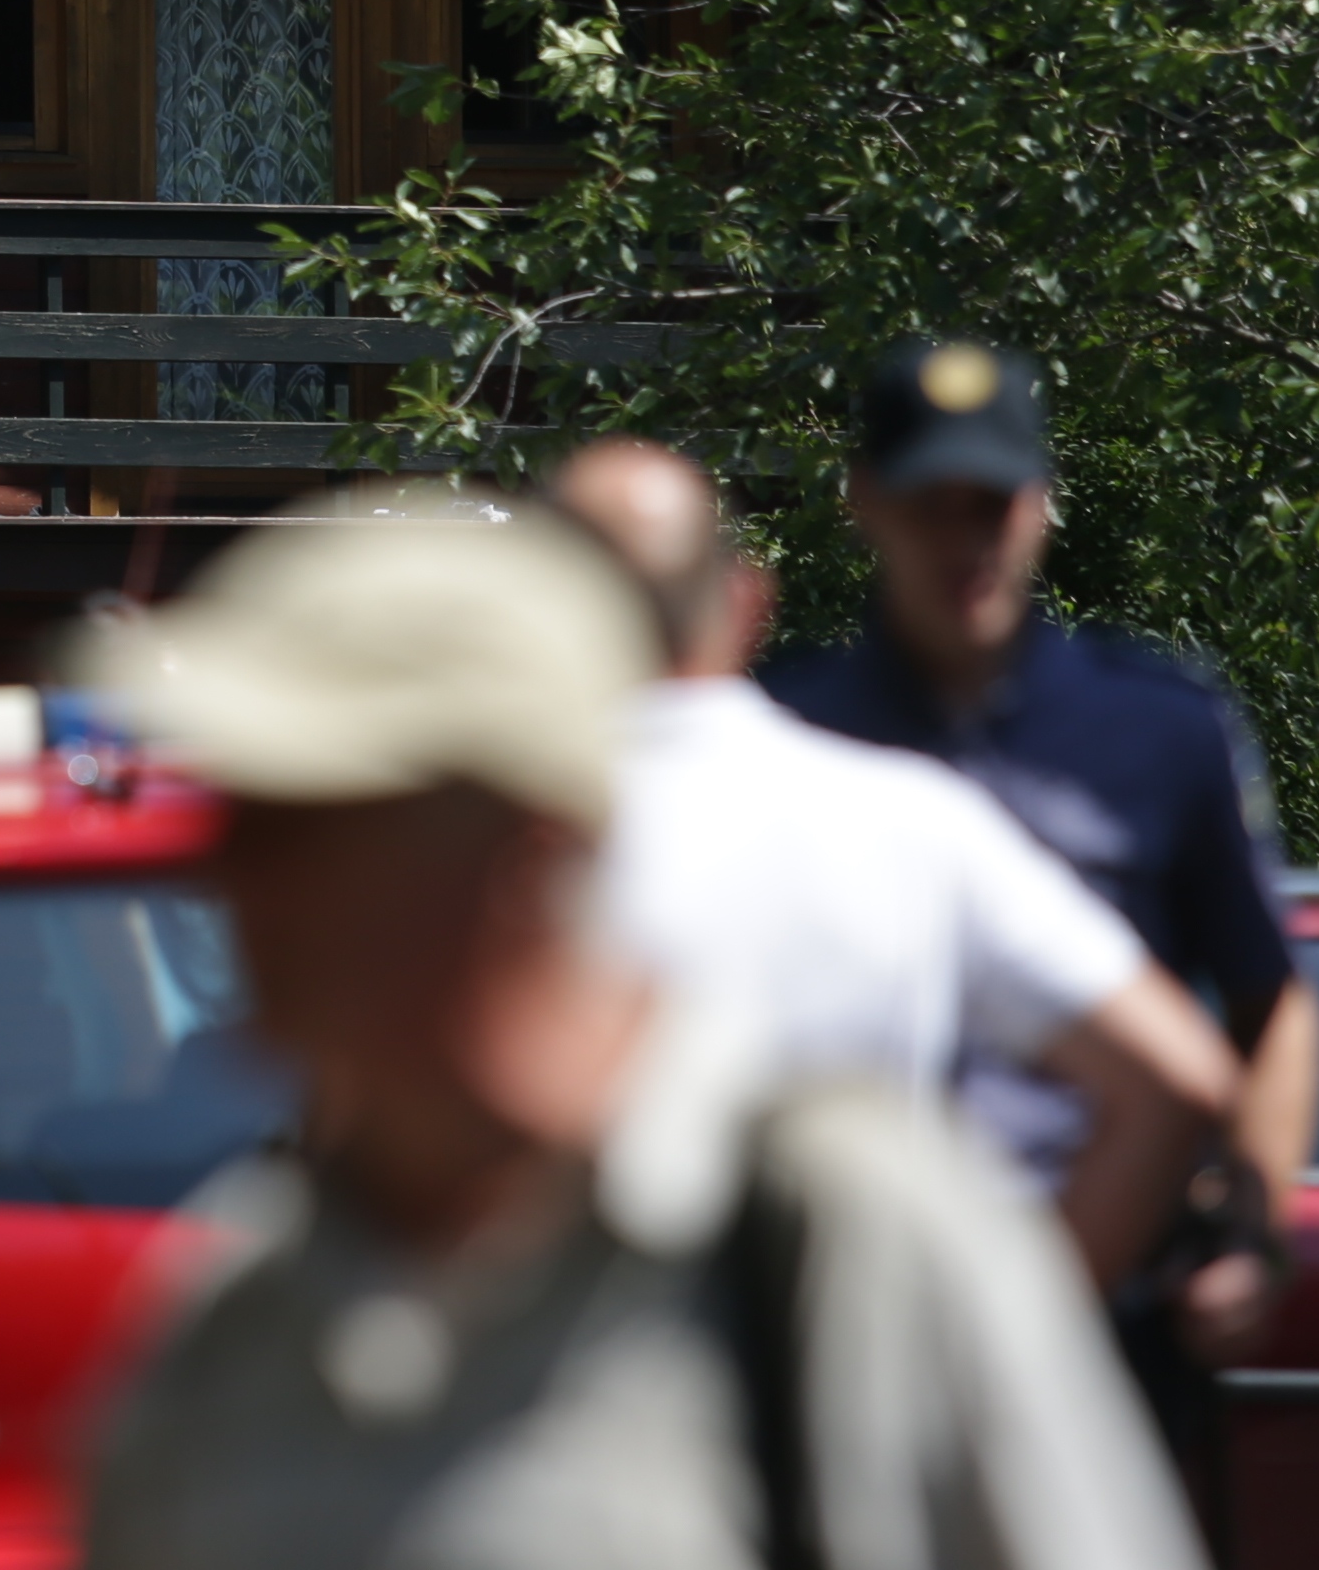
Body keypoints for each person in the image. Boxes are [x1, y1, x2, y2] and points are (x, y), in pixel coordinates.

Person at [74, 483, 1201, 1570]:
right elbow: (1168, 1075)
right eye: (246, 813)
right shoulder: (227, 1324)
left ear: (530, 853)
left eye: (318, 818)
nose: (235, 875)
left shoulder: (836, 1239)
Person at [763, 338, 1319, 1501]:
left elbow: (1272, 997)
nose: (963, 540)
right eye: (930, 504)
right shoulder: (782, 734)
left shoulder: (1159, 727)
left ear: (1041, 506)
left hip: (1101, 1309)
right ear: (865, 502)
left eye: (991, 504)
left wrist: (1253, 1229)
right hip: (842, 1306)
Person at [544, 436, 1244, 1287]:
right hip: (850, 1336)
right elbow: (1175, 1080)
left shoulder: (472, 838)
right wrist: (1016, 1328)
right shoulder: (913, 818)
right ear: (745, 602)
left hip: (582, 1351)